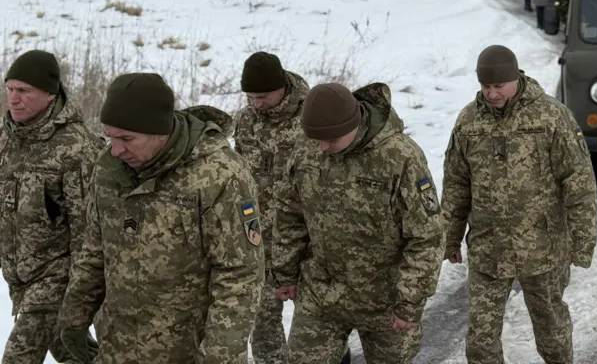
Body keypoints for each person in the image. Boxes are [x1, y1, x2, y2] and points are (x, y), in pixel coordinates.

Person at [58, 73, 264, 363]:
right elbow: (95, 249)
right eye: (109, 137)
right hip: (118, 345)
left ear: (160, 130)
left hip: (188, 351)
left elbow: (239, 277)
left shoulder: (218, 175)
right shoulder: (109, 170)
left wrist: (219, 356)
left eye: (127, 138)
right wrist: (74, 316)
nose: (115, 149)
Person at [441, 46, 597, 364]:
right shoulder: (469, 121)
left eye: (499, 86)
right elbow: (457, 184)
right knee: (480, 344)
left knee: (552, 334)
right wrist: (450, 236)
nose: (492, 93)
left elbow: (579, 183)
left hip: (543, 248)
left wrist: (583, 243)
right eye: (486, 86)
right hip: (488, 248)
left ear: (515, 78)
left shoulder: (551, 117)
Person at [272, 82, 444, 364]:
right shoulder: (309, 148)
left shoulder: (400, 157)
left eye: (330, 140)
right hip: (322, 293)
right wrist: (285, 271)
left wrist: (409, 301)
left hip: (385, 299)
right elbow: (290, 213)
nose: (322, 148)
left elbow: (427, 237)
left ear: (353, 125)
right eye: (316, 139)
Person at [1, 50, 102, 364]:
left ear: (49, 94)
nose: (13, 99)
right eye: (9, 89)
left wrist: (80, 289)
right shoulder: (6, 139)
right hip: (19, 276)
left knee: (17, 357)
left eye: (23, 91)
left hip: (57, 278)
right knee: (72, 352)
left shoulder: (76, 147)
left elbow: (88, 227)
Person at [233, 53, 310, 364]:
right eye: (250, 96)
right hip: (259, 237)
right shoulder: (245, 121)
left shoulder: (311, 118)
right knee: (261, 319)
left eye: (262, 96)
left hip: (306, 236)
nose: (255, 103)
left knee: (317, 318)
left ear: (282, 88)